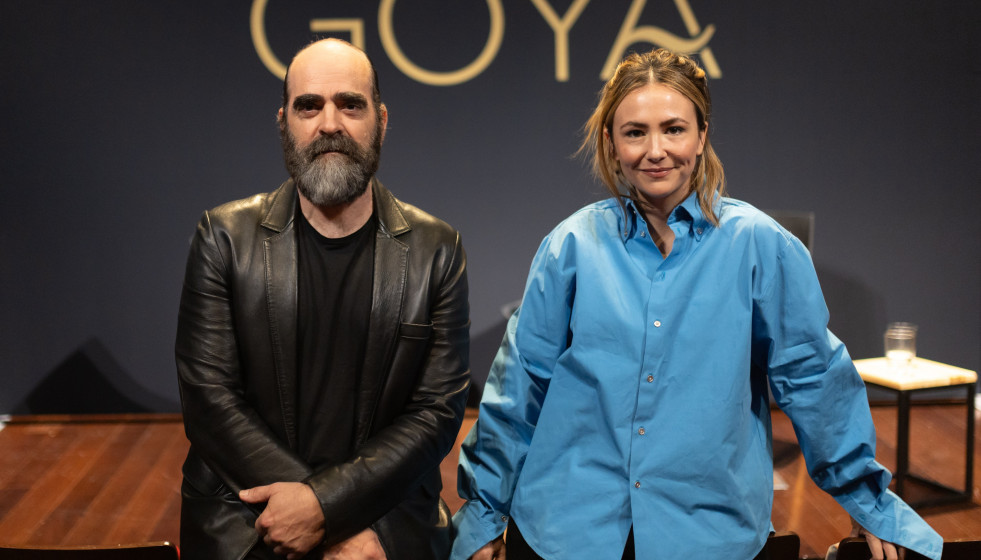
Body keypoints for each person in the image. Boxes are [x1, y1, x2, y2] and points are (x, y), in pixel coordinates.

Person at [450, 48, 942, 560]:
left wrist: (867, 502)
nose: (655, 149)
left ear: (702, 135)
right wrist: (486, 511)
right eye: (635, 132)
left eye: (674, 129)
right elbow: (520, 386)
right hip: (567, 528)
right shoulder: (571, 244)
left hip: (708, 530)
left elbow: (813, 378)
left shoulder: (759, 245)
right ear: (611, 143)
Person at [176, 38, 470, 560]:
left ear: (380, 119)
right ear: (284, 122)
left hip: (383, 524)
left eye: (349, 104)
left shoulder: (437, 249)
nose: (329, 123)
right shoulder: (222, 236)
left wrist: (324, 510)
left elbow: (435, 412)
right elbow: (209, 401)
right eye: (308, 105)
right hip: (247, 517)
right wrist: (320, 512)